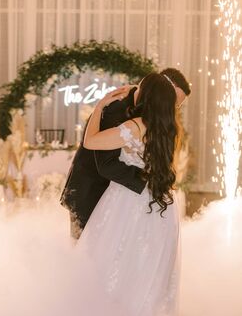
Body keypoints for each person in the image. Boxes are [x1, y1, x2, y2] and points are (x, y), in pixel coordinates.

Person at [78, 72, 190, 316]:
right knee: (148, 267)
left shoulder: (135, 126)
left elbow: (91, 142)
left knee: (114, 262)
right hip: (160, 205)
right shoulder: (169, 129)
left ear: (147, 95)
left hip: (127, 201)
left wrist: (100, 106)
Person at [60, 68, 191, 239]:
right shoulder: (116, 106)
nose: (172, 108)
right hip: (93, 190)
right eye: (174, 102)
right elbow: (106, 164)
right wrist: (147, 181)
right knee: (87, 255)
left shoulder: (149, 116)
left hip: (125, 198)